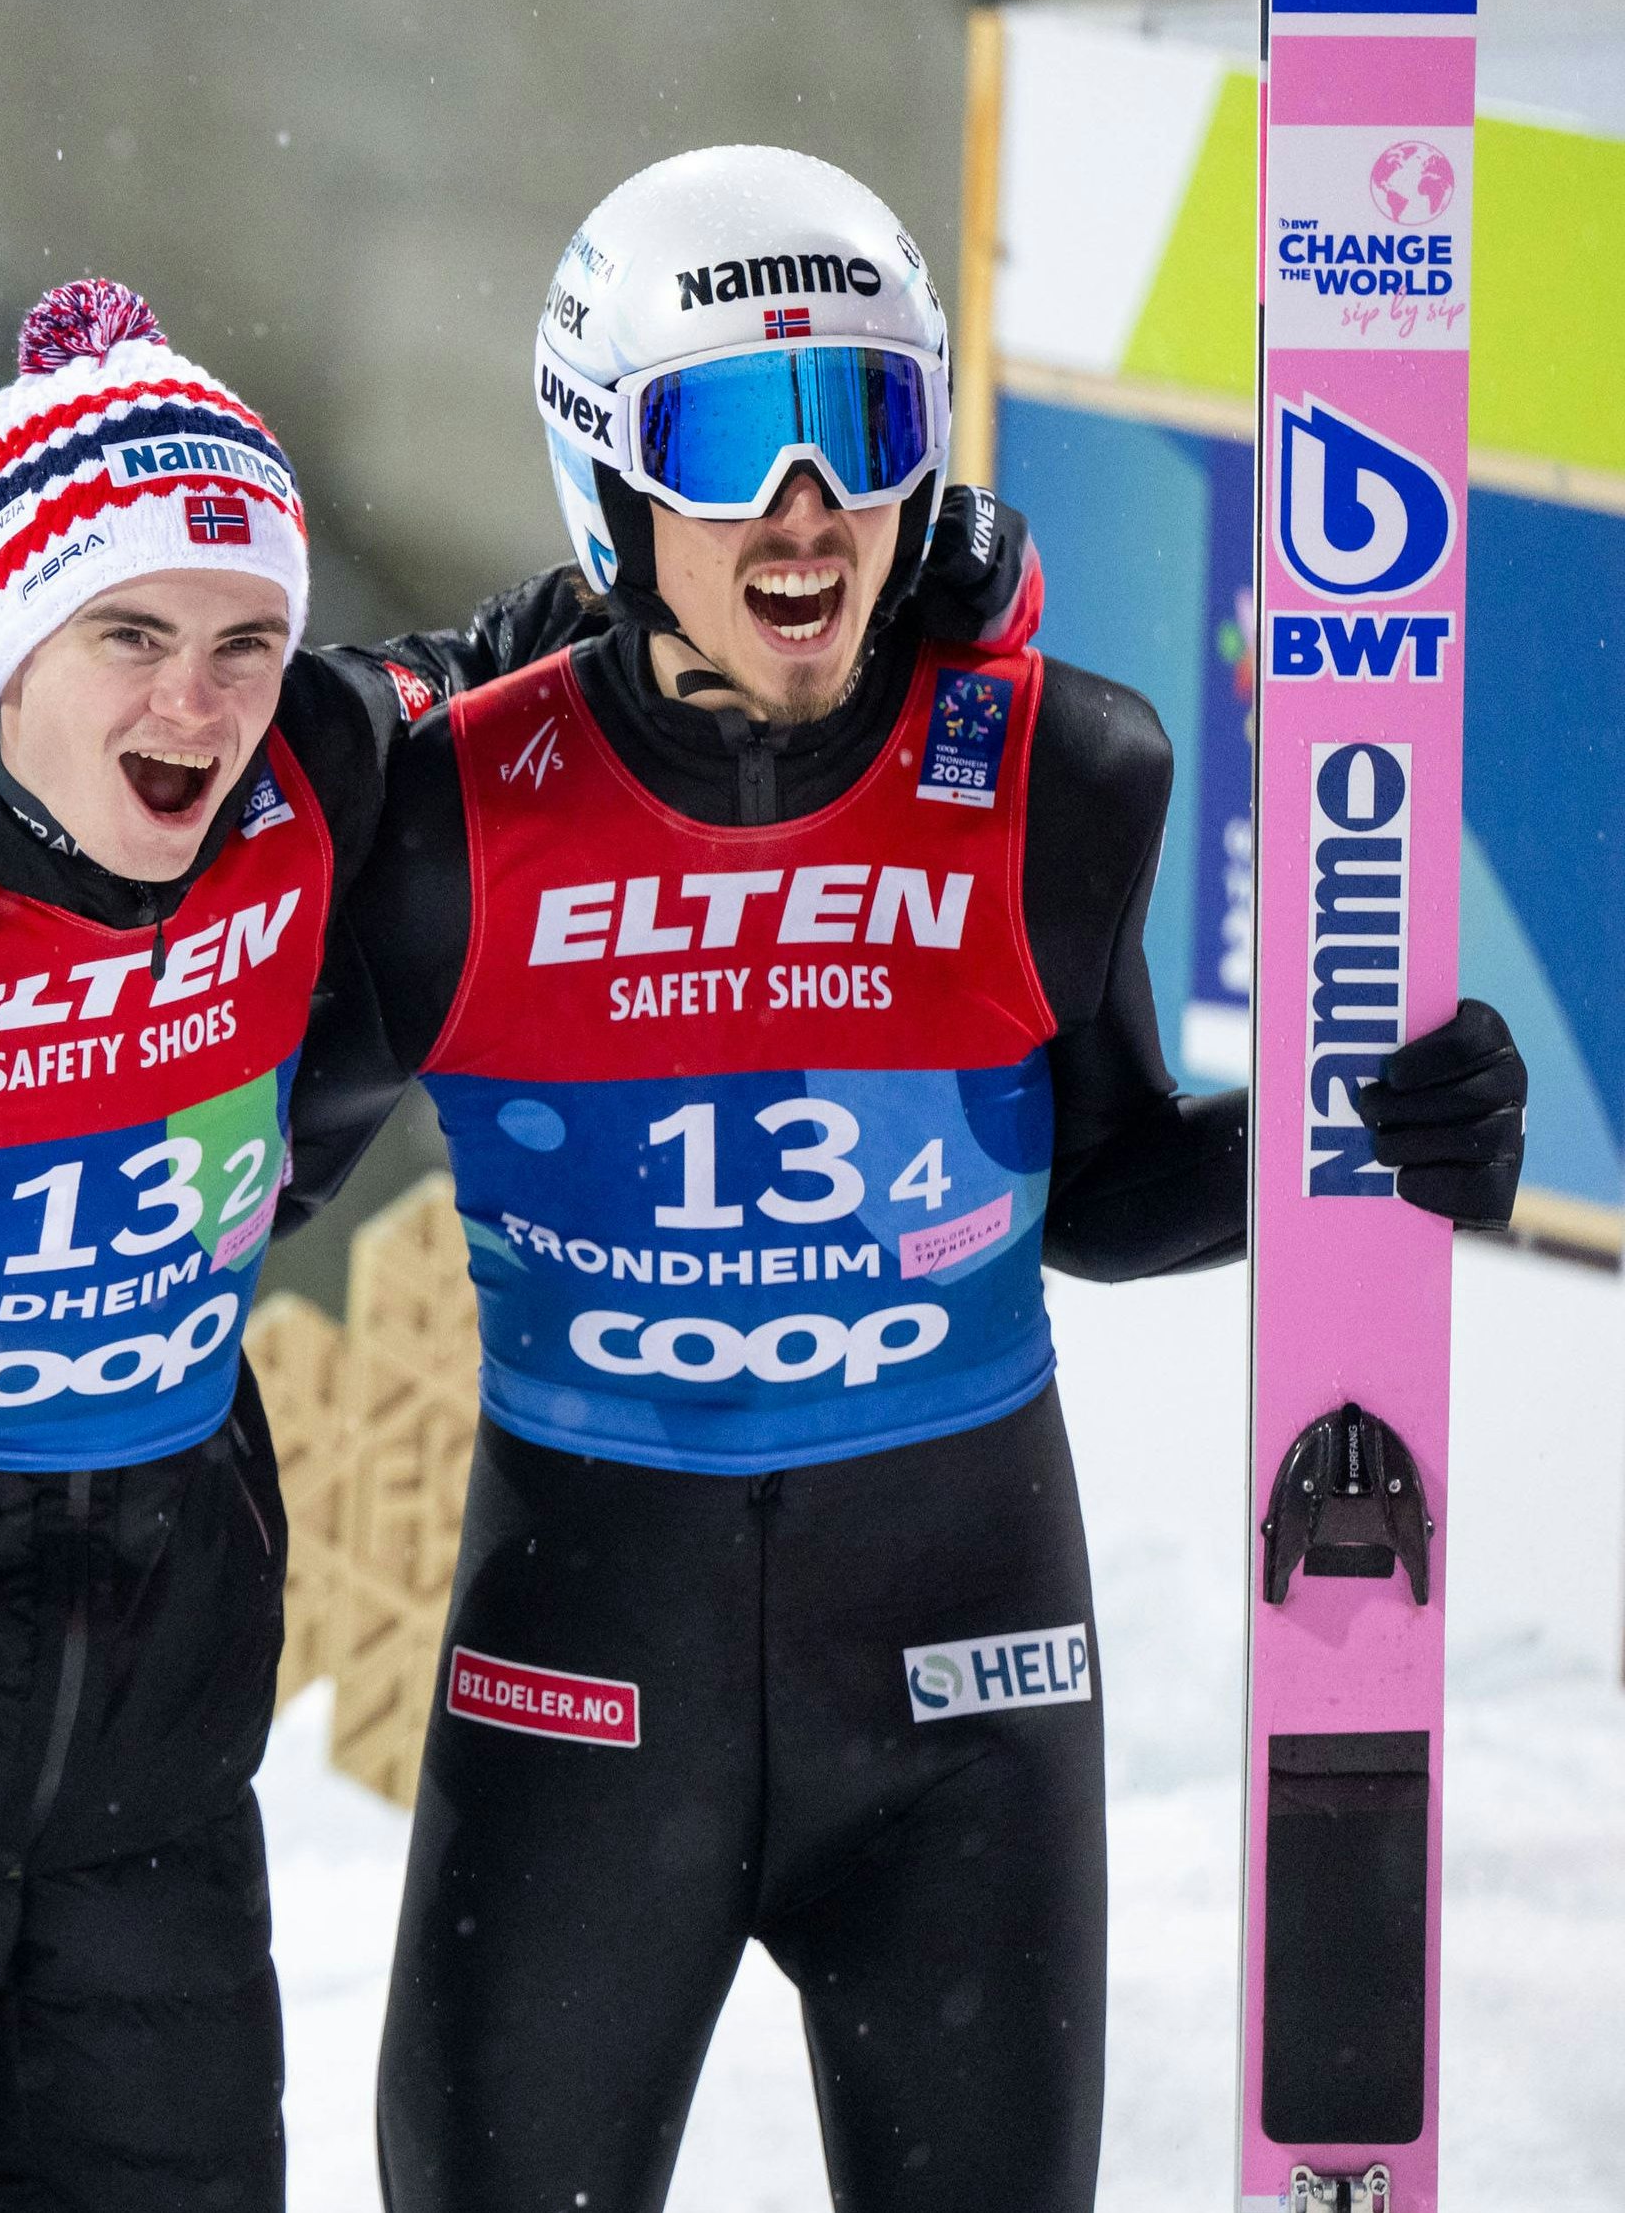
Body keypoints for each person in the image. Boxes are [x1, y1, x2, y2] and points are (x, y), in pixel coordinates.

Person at [0, 279, 1041, 2213]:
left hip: (154, 1767)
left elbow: (576, 638)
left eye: (243, 640)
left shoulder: (317, 771)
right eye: (127, 633)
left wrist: (916, 594)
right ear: (1, 637)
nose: (193, 705)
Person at [303, 146, 1531, 2213]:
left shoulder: (1061, 772)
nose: (804, 512)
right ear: (603, 477)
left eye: (858, 425)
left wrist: (1355, 1146)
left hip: (968, 1688)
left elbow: (1097, 1179)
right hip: (580, 1696)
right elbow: (200, 1180)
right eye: (729, 442)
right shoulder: (440, 825)